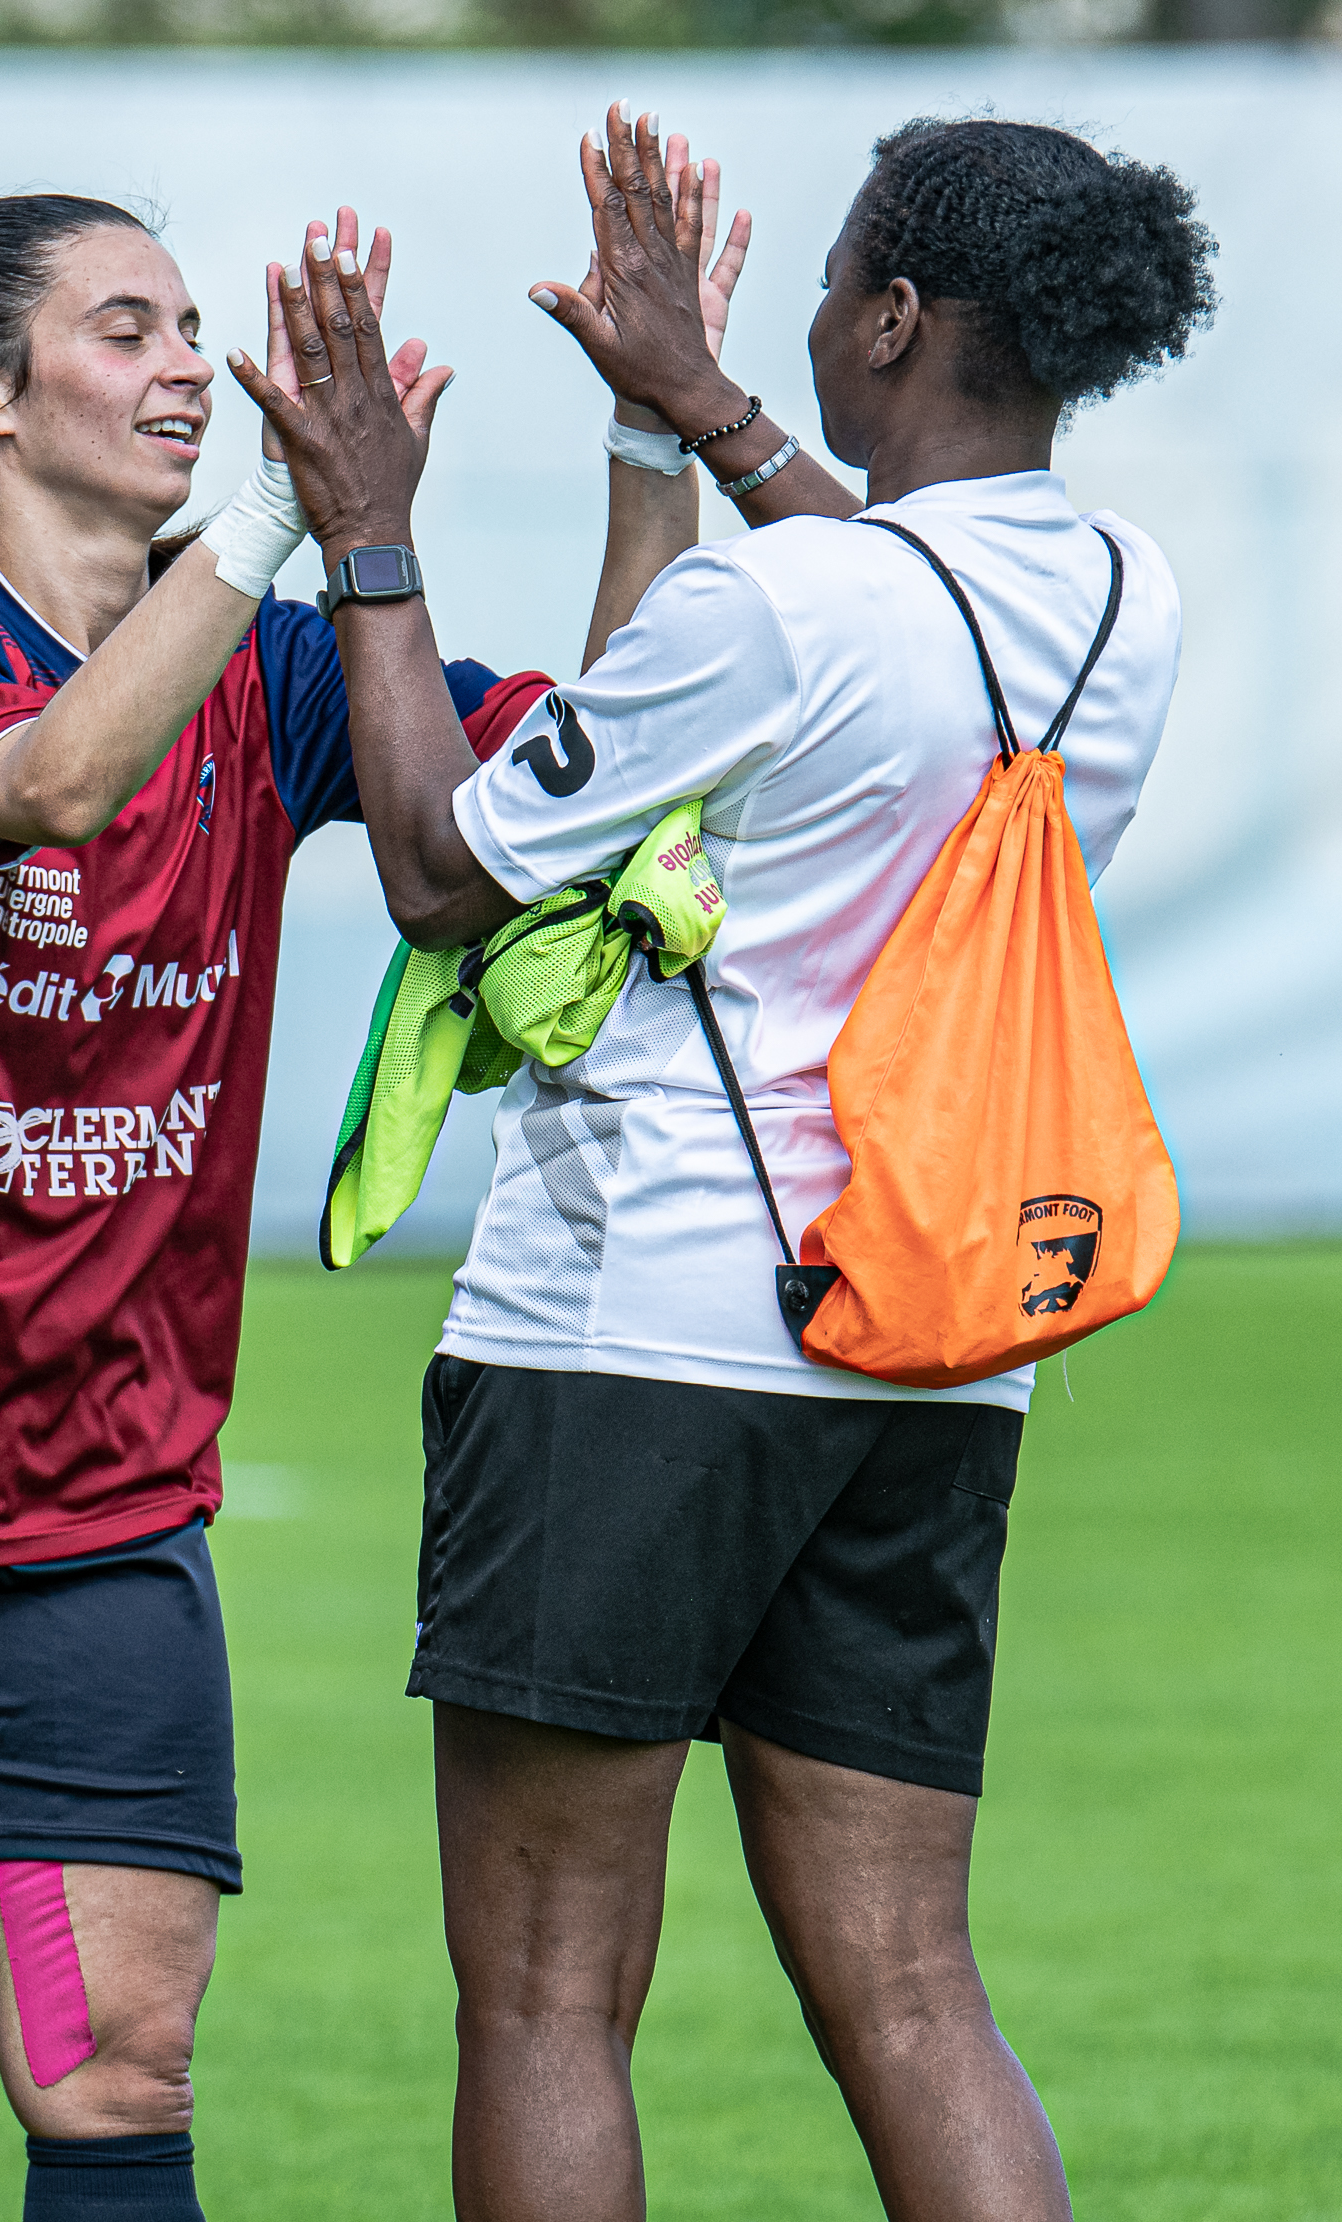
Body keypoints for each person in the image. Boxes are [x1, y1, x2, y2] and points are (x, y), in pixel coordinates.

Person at [0, 152, 745, 2222]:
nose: (195, 364)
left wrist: (655, 436)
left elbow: (589, 775)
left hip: (93, 1515)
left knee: (108, 2073)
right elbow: (52, 781)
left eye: (197, 329)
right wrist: (299, 512)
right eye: (132, 329)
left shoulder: (282, 681)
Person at [237, 108, 1214, 2222]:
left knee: (546, 1991)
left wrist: (365, 532)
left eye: (829, 281)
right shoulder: (1123, 594)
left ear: (888, 313)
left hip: (638, 1331)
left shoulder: (775, 610)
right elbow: (888, 576)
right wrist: (698, 409)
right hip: (933, 1343)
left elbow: (435, 869)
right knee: (908, 1983)